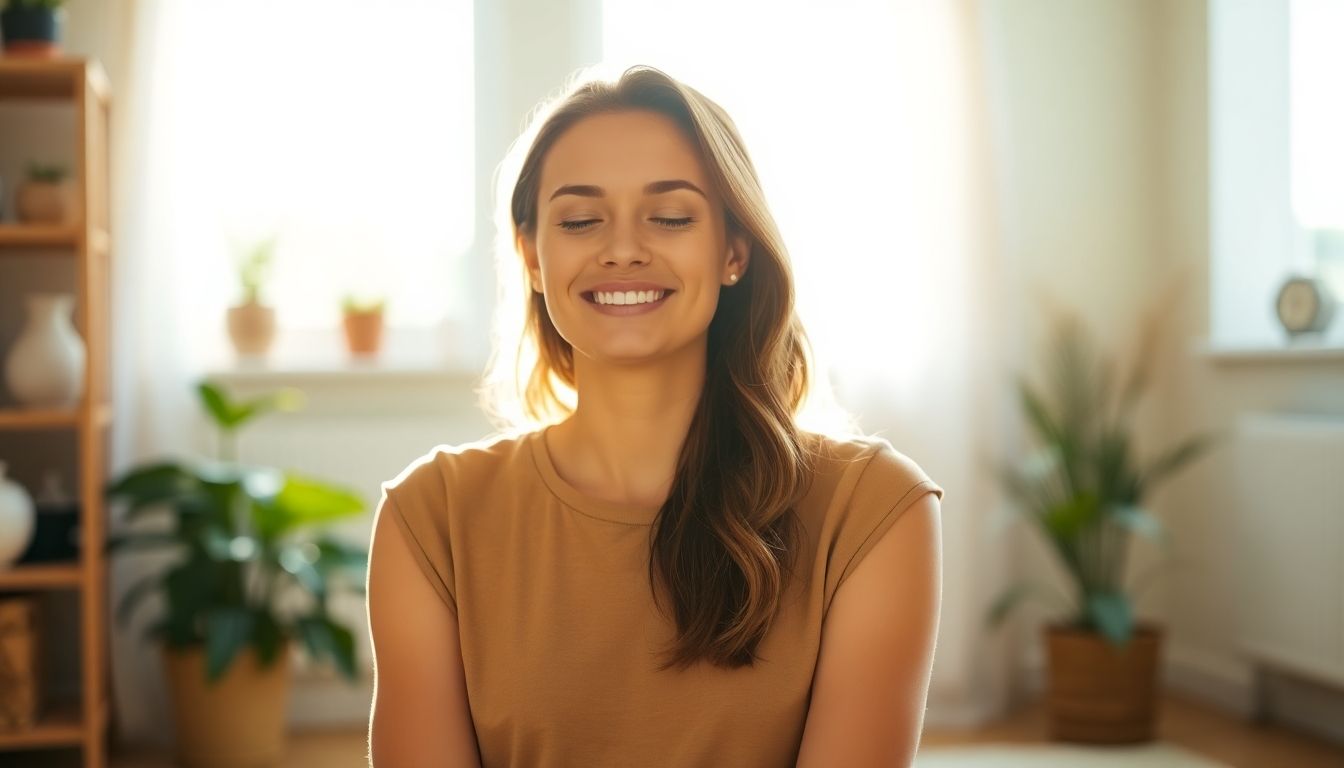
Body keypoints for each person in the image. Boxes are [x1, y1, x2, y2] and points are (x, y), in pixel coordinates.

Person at [366, 64, 944, 768]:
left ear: (733, 249)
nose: (623, 249)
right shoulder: (431, 518)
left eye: (670, 217)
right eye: (580, 220)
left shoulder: (874, 509)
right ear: (533, 256)